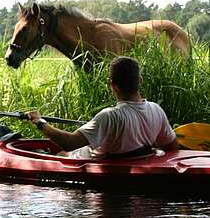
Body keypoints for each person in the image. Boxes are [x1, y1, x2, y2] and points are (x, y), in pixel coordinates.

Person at [26, 56, 179, 159]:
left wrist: (40, 122)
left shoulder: (109, 116)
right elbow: (172, 147)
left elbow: (69, 143)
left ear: (112, 85)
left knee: (61, 153)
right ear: (140, 80)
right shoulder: (156, 110)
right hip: (133, 164)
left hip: (84, 163)